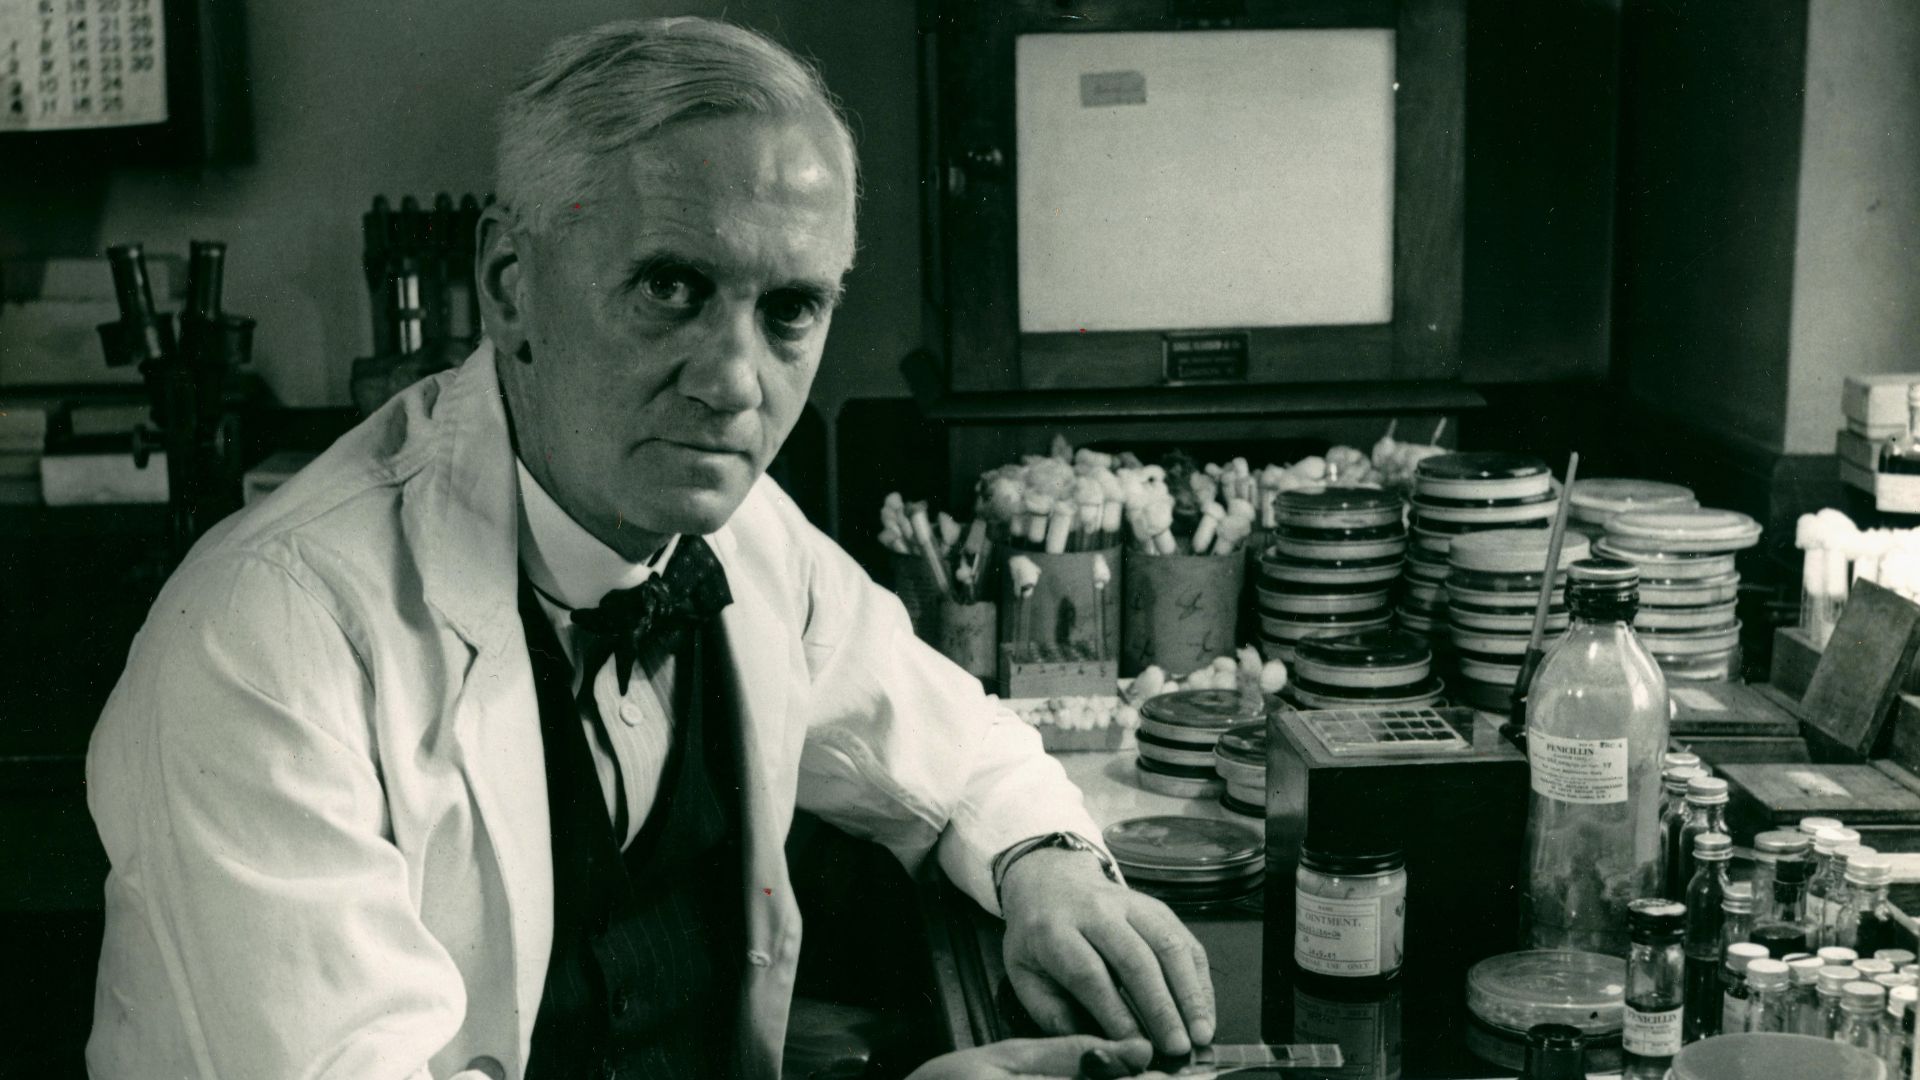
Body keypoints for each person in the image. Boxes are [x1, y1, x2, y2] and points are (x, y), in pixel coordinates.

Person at [84, 17, 1211, 1079]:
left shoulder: (744, 531)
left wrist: (1050, 868)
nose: (734, 383)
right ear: (509, 286)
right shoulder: (264, 641)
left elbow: (950, 740)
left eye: (791, 311)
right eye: (671, 287)